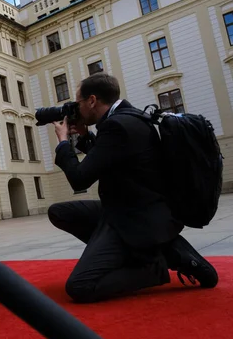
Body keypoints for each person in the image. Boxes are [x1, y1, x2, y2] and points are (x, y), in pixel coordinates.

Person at [48, 72, 218, 303]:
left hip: (136, 219)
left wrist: (63, 143)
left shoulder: (118, 125)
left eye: (77, 103)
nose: (75, 109)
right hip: (128, 209)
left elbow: (79, 179)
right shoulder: (127, 117)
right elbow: (111, 157)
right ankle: (154, 250)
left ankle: (152, 267)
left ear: (92, 101)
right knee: (59, 212)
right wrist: (86, 136)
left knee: (80, 286)